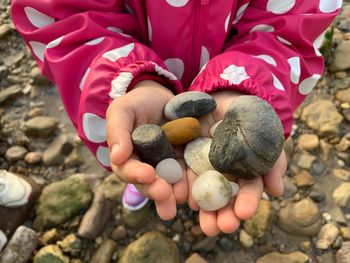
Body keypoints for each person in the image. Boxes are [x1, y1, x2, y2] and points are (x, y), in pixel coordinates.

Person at [11, 0, 342, 236]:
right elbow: (66, 18)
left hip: (234, 76)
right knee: (138, 152)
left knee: (166, 159)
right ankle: (146, 183)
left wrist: (245, 85)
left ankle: (163, 179)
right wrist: (130, 80)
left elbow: (293, 27)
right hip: (134, 75)